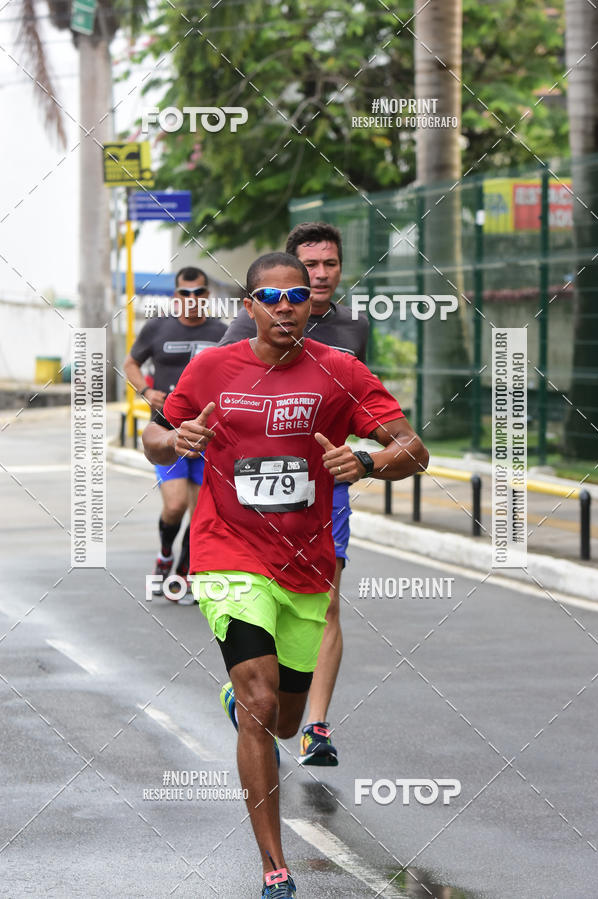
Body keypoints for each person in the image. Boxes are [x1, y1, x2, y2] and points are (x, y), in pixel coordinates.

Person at [142, 252, 428, 897]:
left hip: (306, 564)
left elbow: (413, 447)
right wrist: (175, 441)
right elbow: (154, 440)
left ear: (310, 304)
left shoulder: (340, 371)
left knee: (288, 723)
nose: (285, 306)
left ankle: (247, 707)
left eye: (297, 294)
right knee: (260, 703)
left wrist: (371, 461)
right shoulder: (212, 367)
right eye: (270, 296)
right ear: (249, 306)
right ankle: (275, 866)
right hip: (227, 553)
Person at [220, 222, 367, 766]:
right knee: (272, 606)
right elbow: (217, 388)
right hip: (253, 495)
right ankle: (255, 693)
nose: (322, 275)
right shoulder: (247, 320)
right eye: (311, 267)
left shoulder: (353, 327)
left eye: (331, 264)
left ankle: (317, 727)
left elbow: (356, 400)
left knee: (327, 602)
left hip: (323, 487)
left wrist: (360, 457)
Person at [123, 266, 227, 603]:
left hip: (207, 434)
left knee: (199, 516)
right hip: (167, 430)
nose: (192, 299)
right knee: (176, 505)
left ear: (207, 296)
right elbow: (130, 364)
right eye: (185, 293)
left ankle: (183, 574)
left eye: (199, 293)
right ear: (176, 296)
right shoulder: (157, 327)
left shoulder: (222, 332)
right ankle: (166, 552)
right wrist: (145, 391)